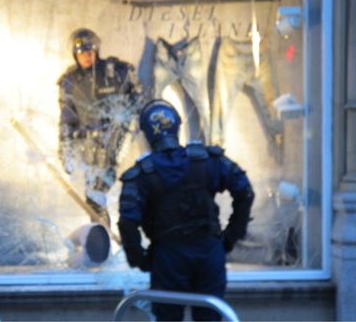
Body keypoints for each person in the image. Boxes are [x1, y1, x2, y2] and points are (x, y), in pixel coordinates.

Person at [118, 99, 254, 321]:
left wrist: (140, 259)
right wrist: (230, 237)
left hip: (168, 259)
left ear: (147, 134)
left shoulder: (142, 174)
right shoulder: (206, 161)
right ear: (177, 127)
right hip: (207, 253)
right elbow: (245, 191)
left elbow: (127, 222)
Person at [58, 28, 143, 227]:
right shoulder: (70, 82)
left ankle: (117, 230)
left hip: (119, 138)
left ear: (96, 51)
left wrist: (125, 118)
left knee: (108, 187)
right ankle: (101, 232)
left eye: (90, 52)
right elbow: (66, 119)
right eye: (81, 53)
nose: (86, 57)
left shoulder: (117, 71)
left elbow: (138, 96)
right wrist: (65, 151)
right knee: (93, 193)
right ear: (75, 54)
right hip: (88, 143)